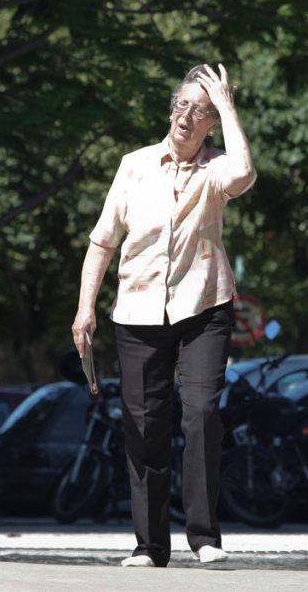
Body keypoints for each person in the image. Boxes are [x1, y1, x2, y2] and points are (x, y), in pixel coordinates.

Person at [72, 63, 255, 568]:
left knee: (201, 414)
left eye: (200, 110)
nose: (186, 116)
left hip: (204, 306)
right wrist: (85, 308)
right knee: (144, 425)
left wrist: (227, 106)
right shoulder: (133, 166)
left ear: (211, 123)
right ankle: (150, 545)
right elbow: (102, 242)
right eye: (182, 104)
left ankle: (204, 537)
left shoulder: (217, 168)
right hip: (137, 309)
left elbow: (245, 174)